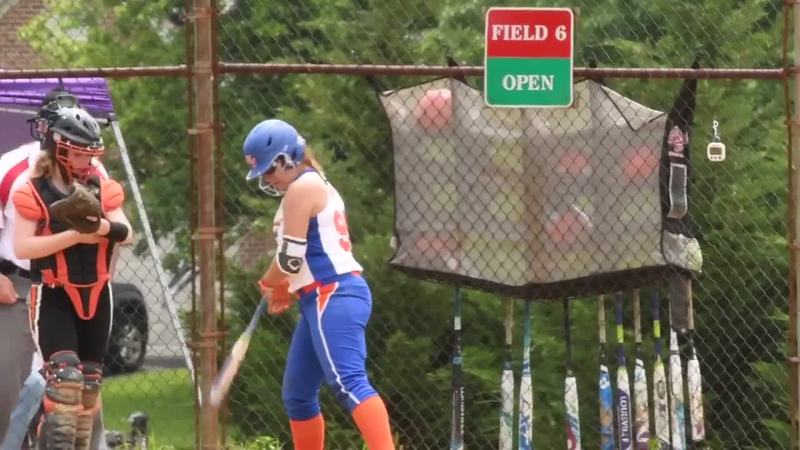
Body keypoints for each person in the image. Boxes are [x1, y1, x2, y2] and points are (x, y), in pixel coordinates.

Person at [243, 119, 394, 450]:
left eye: (270, 170)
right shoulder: (306, 186)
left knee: (349, 383)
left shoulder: (303, 187)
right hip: (318, 297)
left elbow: (290, 259)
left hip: (334, 293)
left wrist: (267, 282)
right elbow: (303, 260)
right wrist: (285, 289)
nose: (267, 179)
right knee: (297, 394)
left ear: (287, 158)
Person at [12, 104, 133, 450]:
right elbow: (23, 247)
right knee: (65, 382)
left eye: (89, 154)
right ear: (57, 148)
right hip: (54, 294)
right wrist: (74, 235)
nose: (85, 161)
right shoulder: (32, 189)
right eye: (77, 153)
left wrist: (101, 227)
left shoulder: (100, 186)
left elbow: (127, 234)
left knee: (89, 388)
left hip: (97, 294)